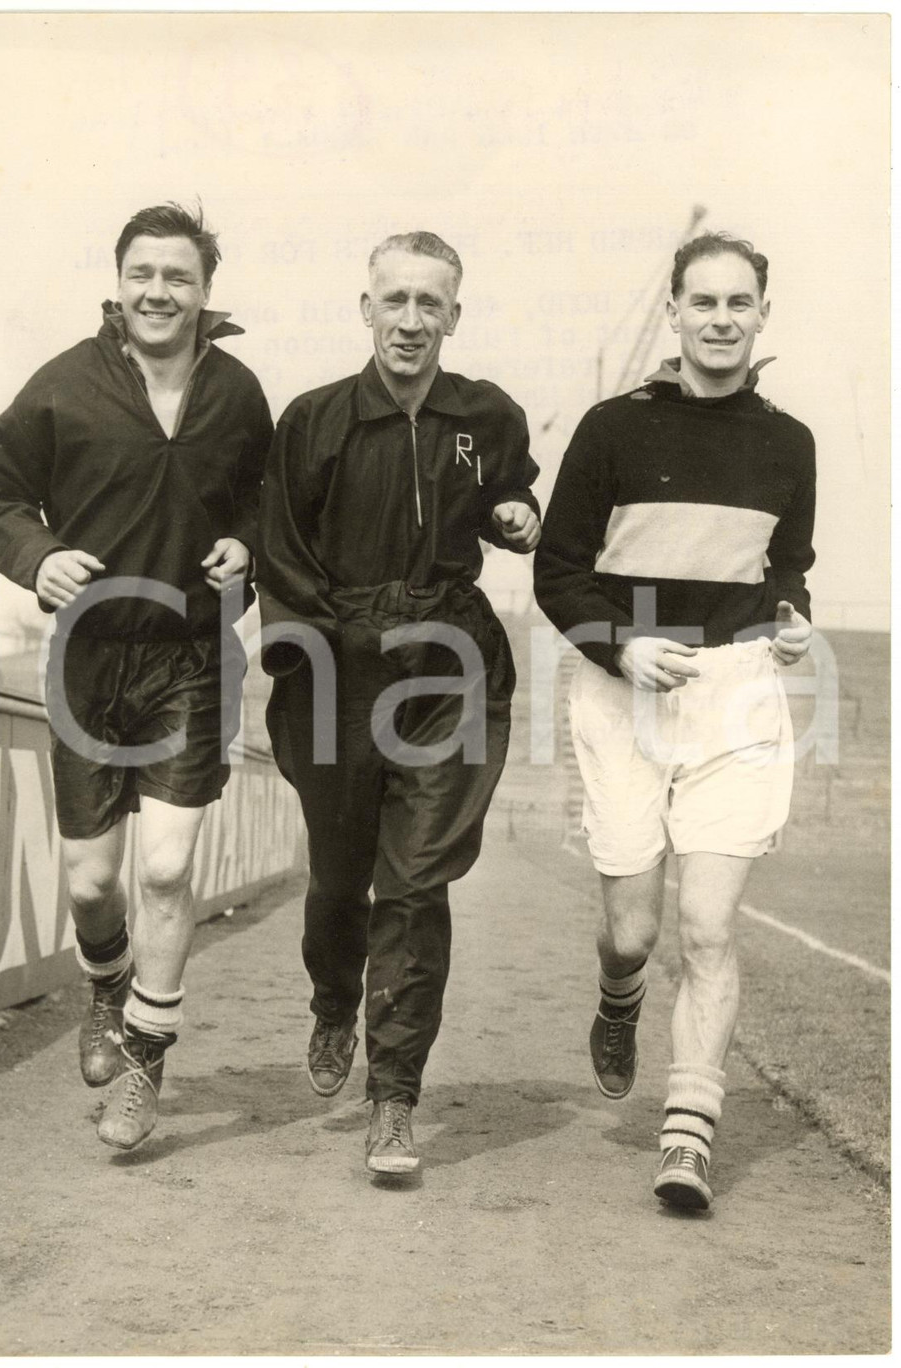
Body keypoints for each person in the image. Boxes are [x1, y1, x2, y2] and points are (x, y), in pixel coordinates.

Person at [0, 203, 273, 1151]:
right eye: (143, 273)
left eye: (178, 277)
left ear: (206, 293)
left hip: (190, 657)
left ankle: (144, 1057)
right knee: (93, 883)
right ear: (119, 281)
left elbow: (271, 500)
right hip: (91, 659)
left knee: (169, 867)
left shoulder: (238, 393)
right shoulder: (65, 385)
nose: (158, 292)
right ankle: (106, 976)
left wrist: (247, 550)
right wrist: (37, 557)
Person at [534, 232, 815, 1210]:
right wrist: (621, 645)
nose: (721, 319)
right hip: (624, 693)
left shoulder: (789, 442)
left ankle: (688, 1132)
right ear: (674, 311)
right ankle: (617, 999)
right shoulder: (612, 429)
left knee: (705, 925)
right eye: (704, 302)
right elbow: (556, 570)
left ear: (762, 316)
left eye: (740, 303)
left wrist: (789, 619)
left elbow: (788, 567)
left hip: (733, 693)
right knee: (632, 931)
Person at [256, 231, 540, 1176]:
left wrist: (517, 517)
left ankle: (395, 1095)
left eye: (432, 304)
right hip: (339, 669)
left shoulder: (487, 414)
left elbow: (512, 495)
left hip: (449, 666)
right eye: (396, 301)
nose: (411, 321)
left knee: (415, 885)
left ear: (454, 316)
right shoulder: (313, 422)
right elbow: (282, 560)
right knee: (341, 881)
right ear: (365, 308)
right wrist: (327, 658)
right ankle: (335, 999)